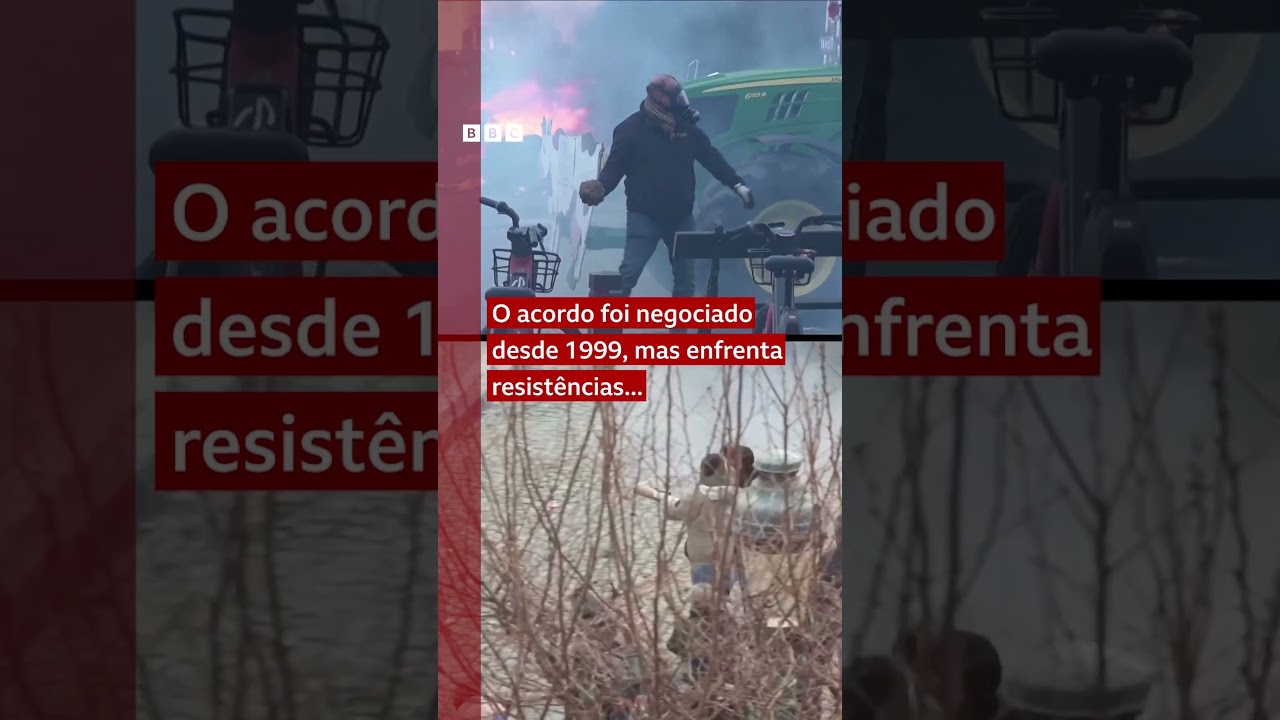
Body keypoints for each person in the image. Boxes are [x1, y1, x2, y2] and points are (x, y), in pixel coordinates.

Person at [578, 74, 755, 297]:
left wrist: (737, 184)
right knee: (626, 278)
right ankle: (606, 327)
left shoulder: (686, 128)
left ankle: (678, 331)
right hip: (644, 216)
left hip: (681, 217)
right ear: (660, 97)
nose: (682, 100)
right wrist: (600, 188)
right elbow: (615, 167)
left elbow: (711, 158)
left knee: (685, 284)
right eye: (675, 95)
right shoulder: (630, 130)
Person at [634, 452, 742, 592]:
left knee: (702, 600)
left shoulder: (695, 499)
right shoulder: (737, 498)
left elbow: (675, 510)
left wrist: (658, 495)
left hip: (703, 559)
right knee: (725, 599)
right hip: (727, 559)